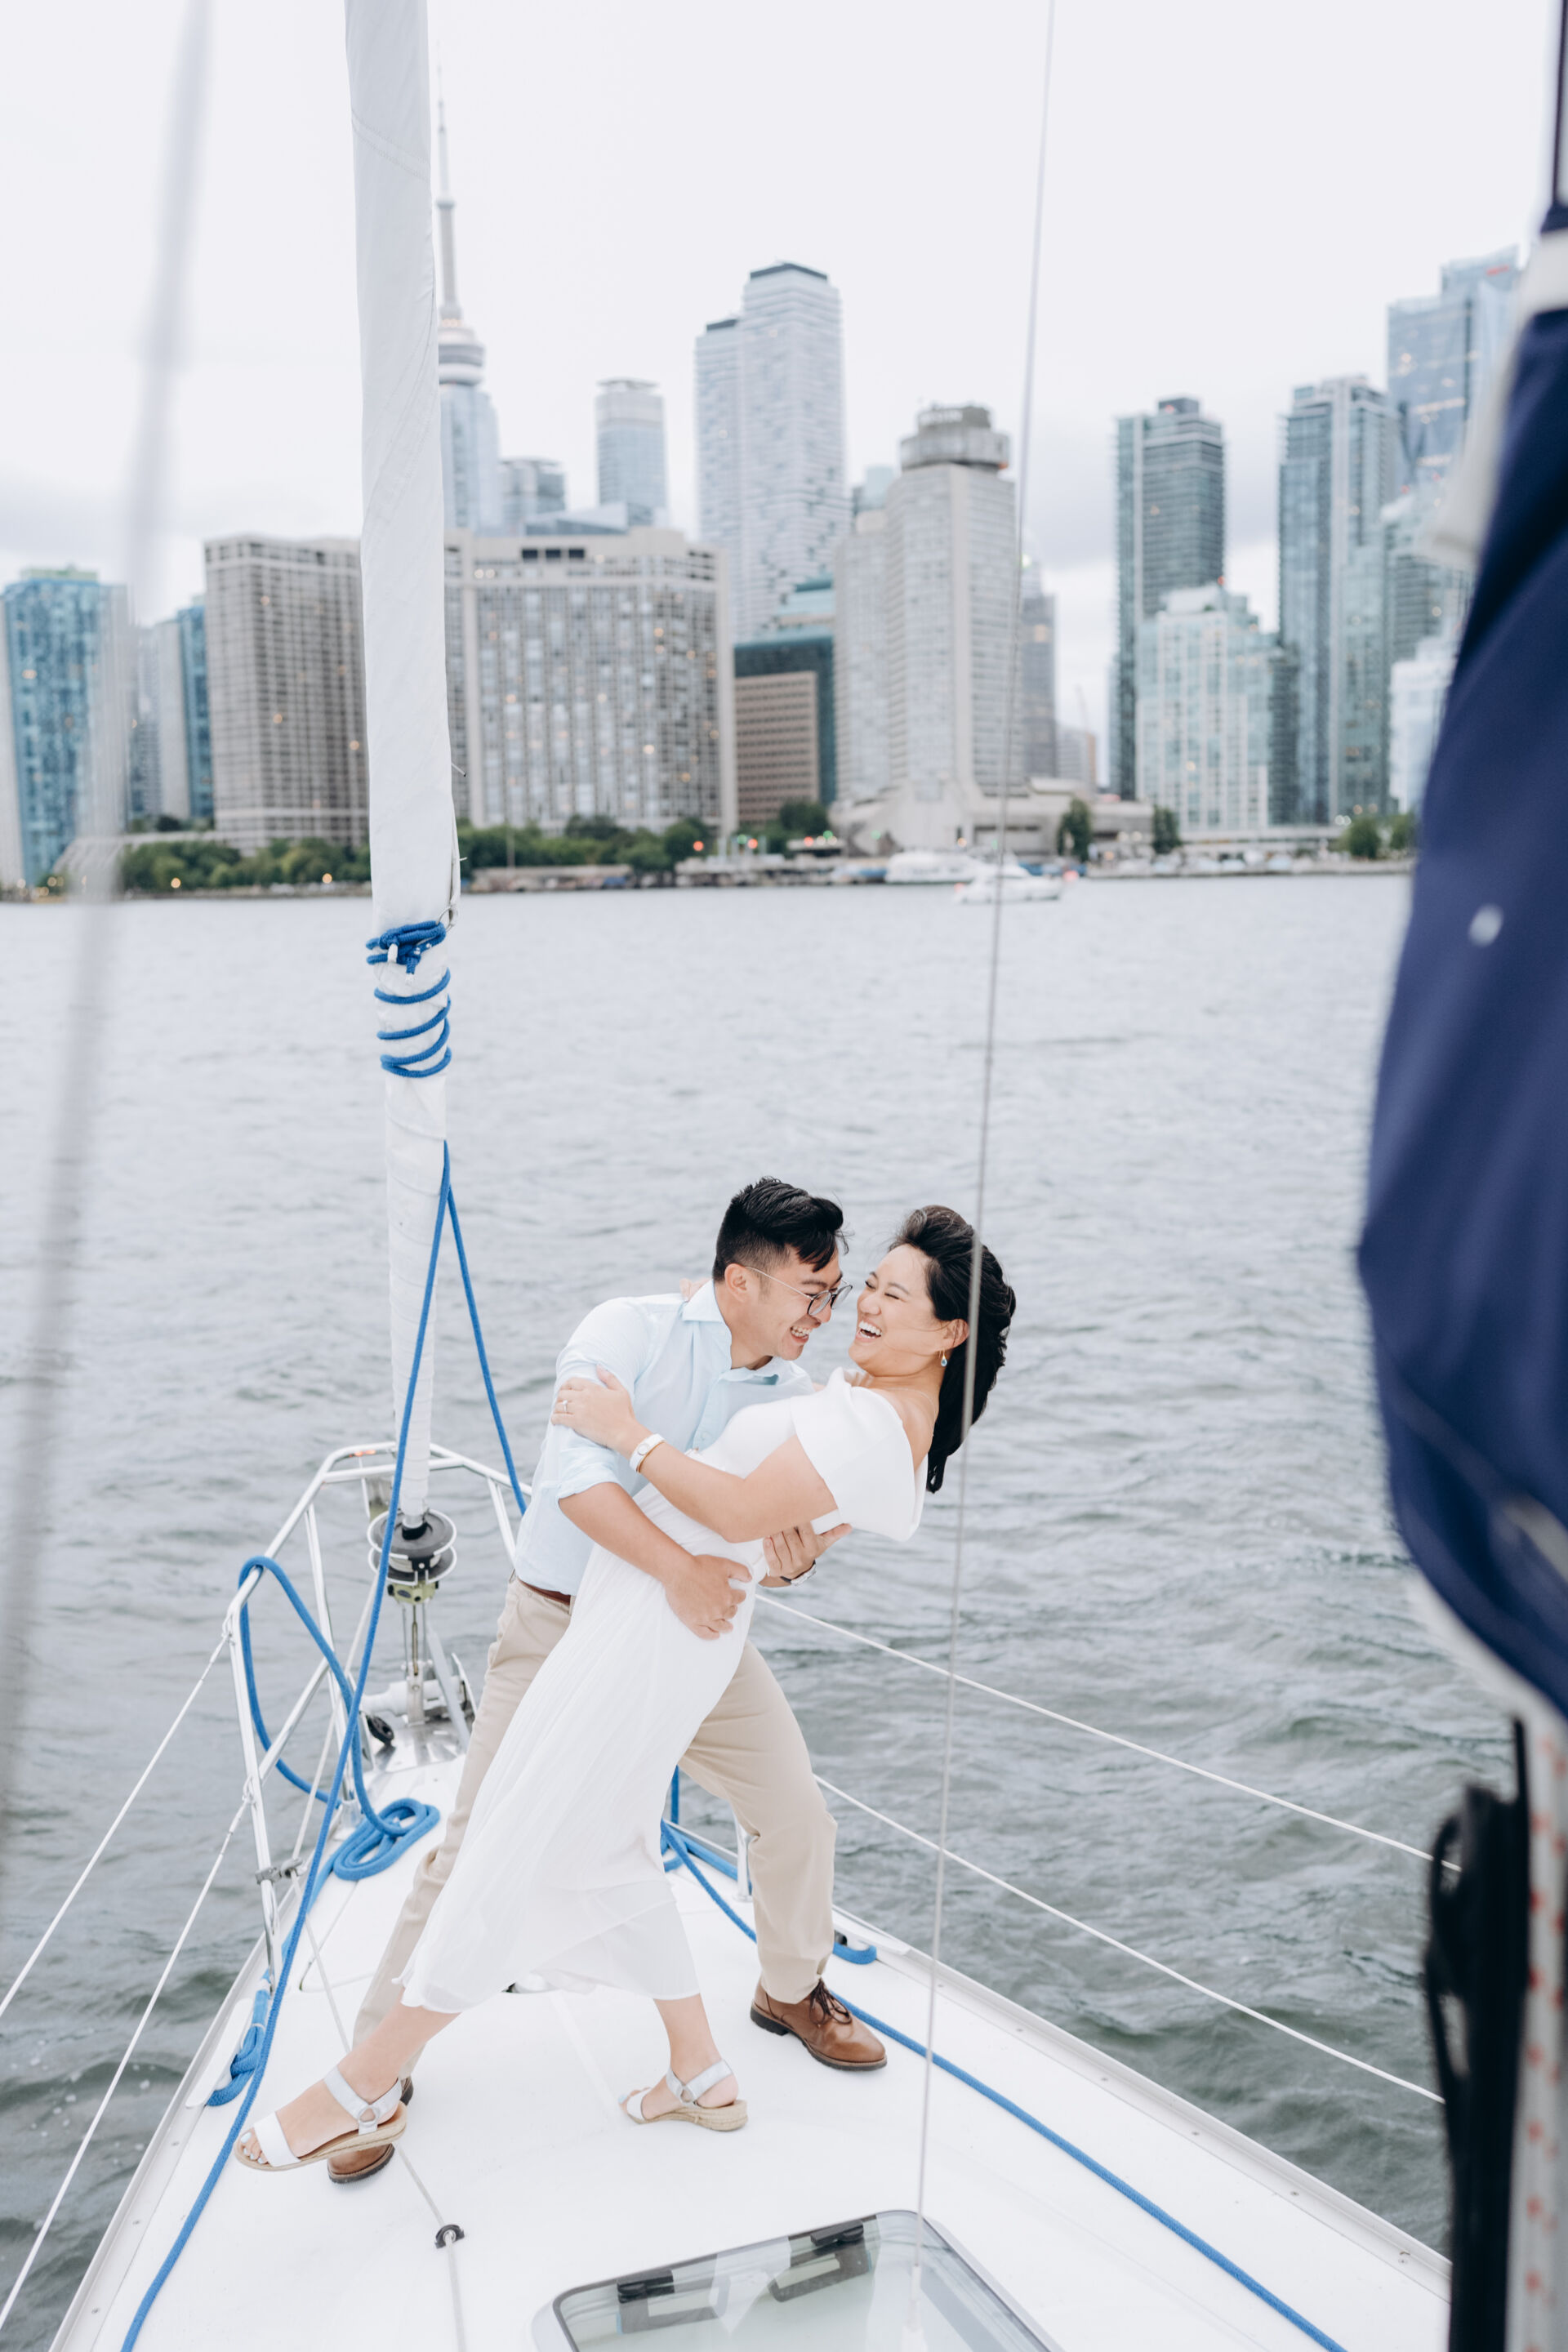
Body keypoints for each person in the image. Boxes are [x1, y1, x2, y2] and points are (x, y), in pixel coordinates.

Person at [237, 1205, 1013, 2175]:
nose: (843, 1308)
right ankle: (694, 2071)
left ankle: (358, 2086)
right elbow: (595, 1489)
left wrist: (642, 1445)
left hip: (665, 1633)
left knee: (529, 1843)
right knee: (574, 1840)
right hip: (588, 1613)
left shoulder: (843, 1402)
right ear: (742, 1281)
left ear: (949, 1332)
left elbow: (752, 1509)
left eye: (877, 1293)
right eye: (833, 1290)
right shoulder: (666, 1341)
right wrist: (757, 1532)